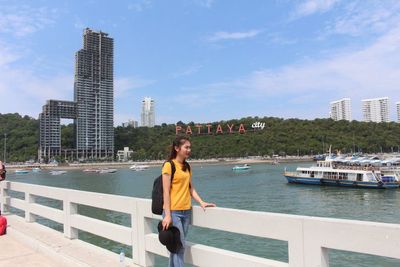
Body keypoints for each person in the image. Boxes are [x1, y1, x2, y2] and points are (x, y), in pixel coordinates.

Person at [162, 136, 216, 267]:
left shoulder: (187, 166)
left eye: (189, 147)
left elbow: (190, 188)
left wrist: (201, 202)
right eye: (186, 147)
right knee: (180, 247)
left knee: (176, 247)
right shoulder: (169, 165)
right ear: (177, 148)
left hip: (186, 211)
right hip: (173, 212)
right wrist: (167, 214)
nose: (189, 150)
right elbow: (166, 191)